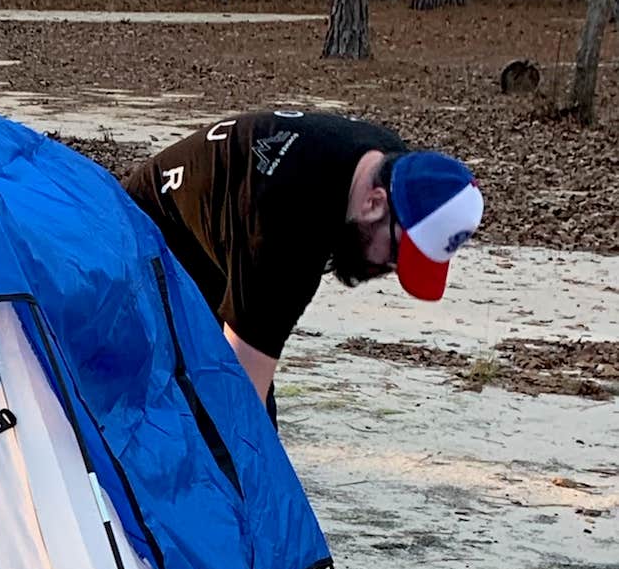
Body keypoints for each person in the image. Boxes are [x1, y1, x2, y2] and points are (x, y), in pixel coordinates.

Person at [120, 110, 483, 402]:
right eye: (397, 254)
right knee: (201, 416)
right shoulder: (285, 227)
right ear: (374, 204)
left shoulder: (385, 166)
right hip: (139, 246)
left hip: (219, 241)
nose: (389, 269)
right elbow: (239, 404)